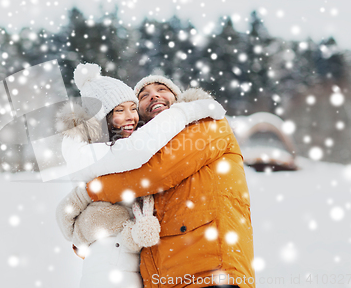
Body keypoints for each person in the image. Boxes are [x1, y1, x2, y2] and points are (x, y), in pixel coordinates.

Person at [55, 64, 226, 288]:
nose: (130, 117)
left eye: (132, 108)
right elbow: (145, 162)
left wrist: (127, 233)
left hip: (188, 262)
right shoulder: (97, 150)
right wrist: (187, 111)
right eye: (119, 110)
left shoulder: (198, 133)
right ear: (102, 119)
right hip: (118, 265)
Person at [85, 75, 256, 288]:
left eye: (161, 89)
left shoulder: (207, 123)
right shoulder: (141, 153)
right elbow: (122, 214)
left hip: (212, 271)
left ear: (177, 98)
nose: (153, 95)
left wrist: (90, 191)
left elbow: (157, 173)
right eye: (144, 96)